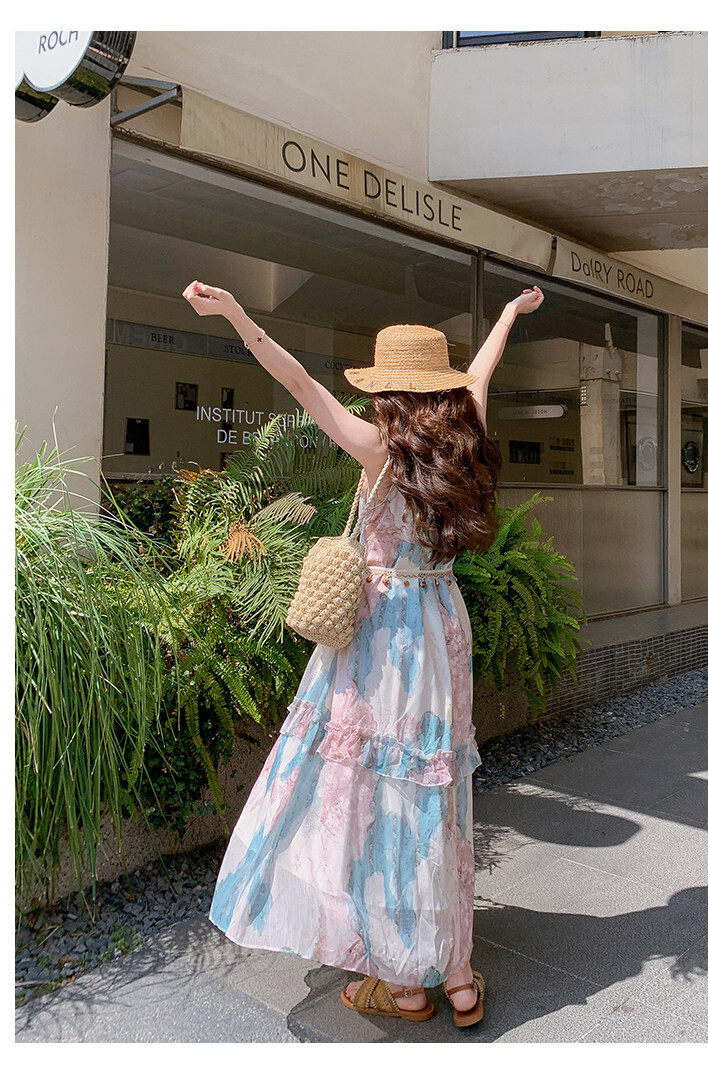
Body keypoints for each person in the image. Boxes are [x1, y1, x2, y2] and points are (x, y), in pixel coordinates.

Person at [182, 278, 545, 1028]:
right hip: (441, 622)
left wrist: (236, 313)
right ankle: (458, 975)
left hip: (384, 633)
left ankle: (405, 979)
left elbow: (296, 380)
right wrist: (509, 314)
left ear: (387, 391)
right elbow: (484, 370)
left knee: (383, 795)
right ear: (441, 388)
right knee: (436, 792)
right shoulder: (464, 432)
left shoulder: (376, 446)